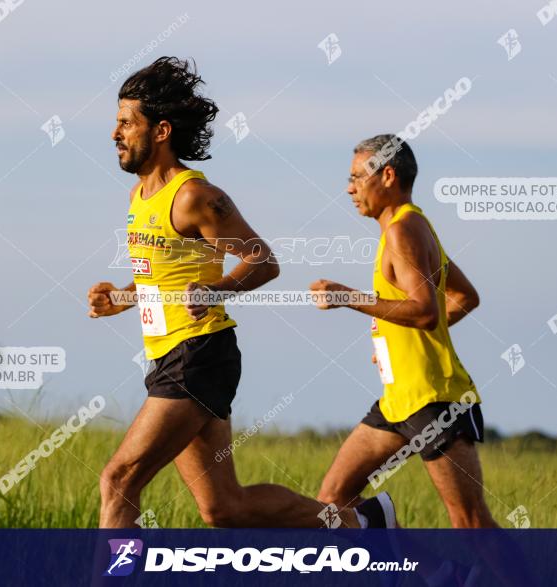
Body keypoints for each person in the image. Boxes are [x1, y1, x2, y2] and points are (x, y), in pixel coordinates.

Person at [88, 57, 394, 529]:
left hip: (198, 355)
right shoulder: (138, 198)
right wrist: (123, 298)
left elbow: (263, 260)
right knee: (224, 508)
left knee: (119, 480)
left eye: (127, 123)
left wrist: (219, 289)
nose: (115, 134)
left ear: (161, 131)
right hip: (169, 354)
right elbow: (162, 281)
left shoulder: (195, 196)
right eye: (117, 123)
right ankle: (361, 523)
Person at [310, 134, 498, 529]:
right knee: (332, 499)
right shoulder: (408, 227)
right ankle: (435, 571)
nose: (349, 188)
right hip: (399, 399)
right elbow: (463, 297)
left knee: (471, 523)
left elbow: (426, 312)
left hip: (434, 399)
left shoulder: (403, 231)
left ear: (388, 175)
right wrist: (400, 341)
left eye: (357, 178)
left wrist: (347, 297)